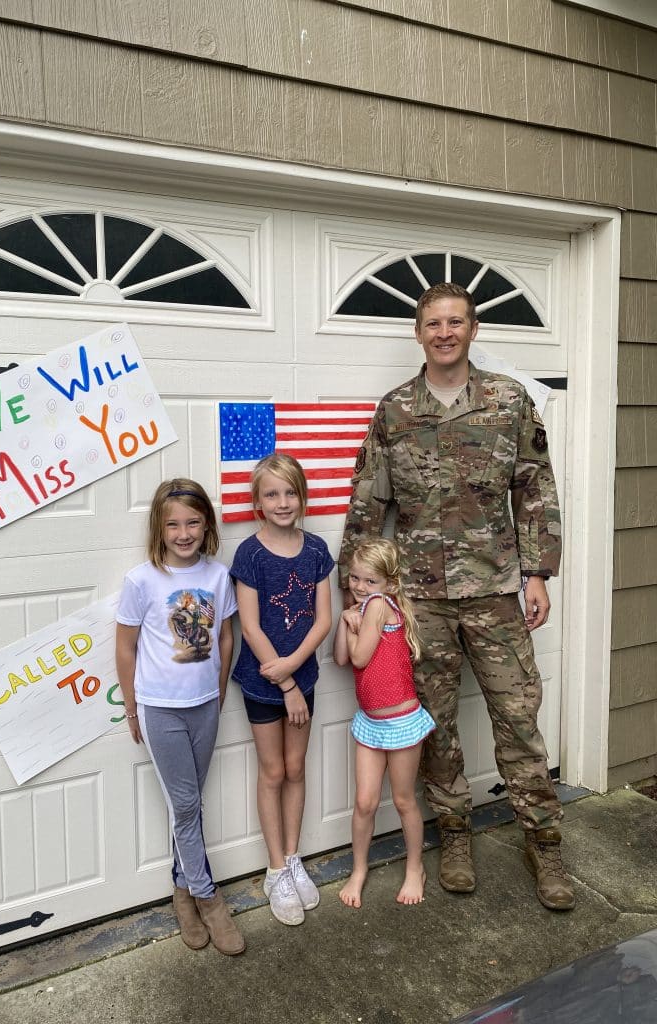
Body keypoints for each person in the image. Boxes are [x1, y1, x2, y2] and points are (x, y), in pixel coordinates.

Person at [338, 282, 575, 911]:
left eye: (455, 322)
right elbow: (368, 505)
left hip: (497, 591)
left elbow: (535, 491)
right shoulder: (394, 412)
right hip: (420, 605)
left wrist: (537, 574)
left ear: (473, 330)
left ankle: (545, 847)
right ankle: (455, 838)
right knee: (435, 728)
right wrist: (355, 596)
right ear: (420, 333)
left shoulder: (508, 402)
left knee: (518, 723)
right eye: (432, 323)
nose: (444, 333)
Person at [116, 478, 245, 955]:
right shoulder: (142, 580)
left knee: (187, 805)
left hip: (204, 707)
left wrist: (218, 687)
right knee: (187, 805)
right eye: (173, 523)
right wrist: (132, 706)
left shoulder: (216, 575)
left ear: (206, 524)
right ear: (159, 527)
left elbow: (226, 636)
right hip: (160, 708)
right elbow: (125, 648)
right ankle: (209, 899)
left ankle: (181, 890)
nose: (184, 532)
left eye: (193, 522)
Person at [230, 454, 333, 926]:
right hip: (263, 684)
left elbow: (323, 618)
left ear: (302, 496)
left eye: (290, 492)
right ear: (257, 502)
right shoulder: (249, 555)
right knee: (273, 771)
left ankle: (294, 858)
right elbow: (249, 627)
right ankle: (274, 869)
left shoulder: (315, 550)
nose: (282, 501)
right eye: (271, 493)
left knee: (297, 768)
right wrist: (286, 681)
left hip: (301, 678)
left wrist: (296, 667)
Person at [333, 539, 435, 909]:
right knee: (364, 803)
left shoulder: (377, 606)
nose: (360, 586)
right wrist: (346, 619)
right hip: (370, 723)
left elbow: (360, 658)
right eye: (355, 578)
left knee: (406, 800)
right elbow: (341, 657)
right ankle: (358, 870)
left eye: (370, 580)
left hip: (402, 721)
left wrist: (352, 620)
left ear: (390, 584)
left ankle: (414, 868)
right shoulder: (360, 608)